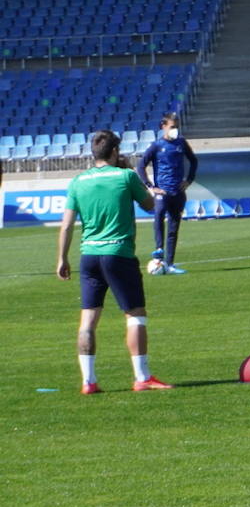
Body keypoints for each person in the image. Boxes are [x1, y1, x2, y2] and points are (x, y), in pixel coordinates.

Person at [56, 130, 174, 394]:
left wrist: (62, 258)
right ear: (115, 152)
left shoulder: (78, 181)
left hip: (88, 256)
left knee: (87, 320)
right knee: (135, 315)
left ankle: (89, 382)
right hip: (118, 254)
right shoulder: (125, 176)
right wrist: (148, 189)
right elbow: (149, 206)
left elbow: (66, 226)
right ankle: (142, 377)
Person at [139, 112, 199, 275]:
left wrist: (188, 180)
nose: (175, 130)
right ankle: (159, 249)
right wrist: (151, 186)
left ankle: (170, 264)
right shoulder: (156, 145)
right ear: (163, 126)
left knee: (174, 227)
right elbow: (141, 166)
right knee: (158, 215)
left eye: (177, 127)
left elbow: (193, 160)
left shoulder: (181, 143)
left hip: (178, 192)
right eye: (173, 127)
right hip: (162, 192)